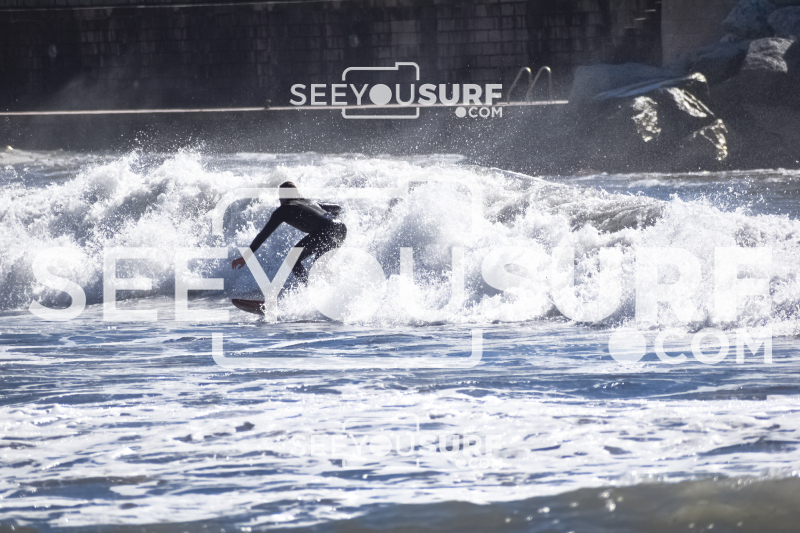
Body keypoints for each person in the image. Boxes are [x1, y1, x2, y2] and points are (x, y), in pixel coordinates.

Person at [231, 182, 347, 287]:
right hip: (341, 228)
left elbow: (263, 235)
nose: (279, 198)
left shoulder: (283, 210)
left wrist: (246, 256)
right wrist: (333, 222)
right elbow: (337, 207)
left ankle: (307, 292)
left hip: (325, 230)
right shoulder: (310, 202)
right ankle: (338, 287)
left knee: (292, 259)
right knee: (319, 266)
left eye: (280, 194)